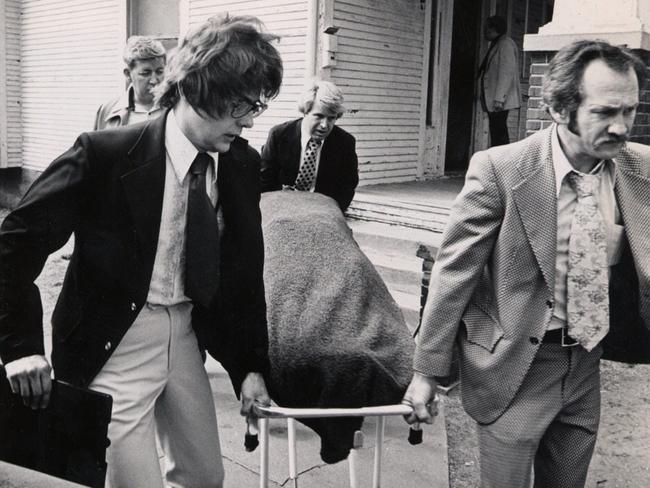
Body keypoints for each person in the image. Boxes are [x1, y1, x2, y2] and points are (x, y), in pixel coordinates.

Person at [0, 14, 282, 488]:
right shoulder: (105, 154)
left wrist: (250, 366)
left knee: (205, 477)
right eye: (241, 104)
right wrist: (20, 349)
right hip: (114, 341)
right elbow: (11, 250)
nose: (251, 119)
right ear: (197, 87)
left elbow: (243, 276)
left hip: (187, 335)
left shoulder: (240, 164)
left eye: (254, 105)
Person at [403, 39, 650, 488]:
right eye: (604, 112)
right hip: (514, 366)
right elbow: (454, 272)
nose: (621, 127)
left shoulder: (641, 170)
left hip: (587, 365)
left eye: (629, 111)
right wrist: (425, 372)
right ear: (559, 108)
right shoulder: (501, 169)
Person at [260, 79, 359, 212]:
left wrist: (330, 211)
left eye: (331, 118)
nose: (324, 125)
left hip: (323, 211)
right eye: (319, 116)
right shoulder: (279, 135)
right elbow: (265, 182)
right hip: (282, 207)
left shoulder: (345, 142)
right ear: (305, 112)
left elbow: (347, 187)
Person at [94, 35, 166, 130]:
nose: (154, 80)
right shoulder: (107, 111)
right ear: (128, 74)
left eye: (159, 72)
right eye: (145, 73)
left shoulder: (177, 108)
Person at [477, 15, 521, 147]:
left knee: (499, 132)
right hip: (495, 98)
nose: (484, 31)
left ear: (493, 28)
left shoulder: (505, 44)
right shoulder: (497, 43)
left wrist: (499, 98)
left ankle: (503, 163)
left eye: (487, 28)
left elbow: (506, 73)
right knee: (496, 131)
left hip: (500, 100)